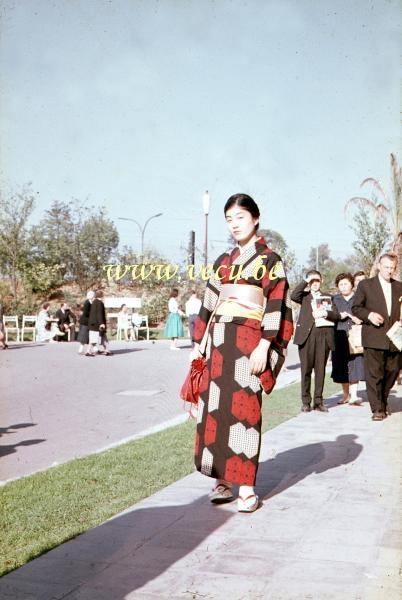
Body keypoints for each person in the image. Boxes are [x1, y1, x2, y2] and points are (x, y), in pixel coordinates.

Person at [191, 193, 293, 513]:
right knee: (215, 411)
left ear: (256, 219)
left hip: (250, 343)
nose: (235, 225)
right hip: (219, 343)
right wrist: (199, 345)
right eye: (229, 220)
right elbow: (210, 303)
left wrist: (265, 344)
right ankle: (221, 480)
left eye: (241, 217)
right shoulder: (223, 261)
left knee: (244, 413)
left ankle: (247, 486)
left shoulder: (270, 260)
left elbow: (275, 302)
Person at [352, 253, 402, 420]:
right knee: (374, 374)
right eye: (386, 267)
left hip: (395, 338)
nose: (389, 271)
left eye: (392, 268)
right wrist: (369, 315)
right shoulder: (366, 285)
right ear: (379, 266)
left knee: (392, 371)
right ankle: (377, 409)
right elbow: (356, 308)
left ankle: (383, 398)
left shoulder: (399, 286)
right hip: (374, 336)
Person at [291, 270, 340, 413]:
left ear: (322, 281)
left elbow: (336, 315)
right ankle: (306, 402)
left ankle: (318, 401)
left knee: (320, 370)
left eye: (317, 281)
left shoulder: (329, 297)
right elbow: (294, 295)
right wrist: (306, 280)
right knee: (305, 370)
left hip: (323, 336)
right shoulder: (304, 297)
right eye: (312, 282)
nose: (314, 284)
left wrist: (326, 313)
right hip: (306, 337)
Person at [331, 273, 365, 405]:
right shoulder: (335, 300)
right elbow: (330, 315)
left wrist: (359, 318)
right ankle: (345, 395)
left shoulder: (359, 298)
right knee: (340, 365)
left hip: (355, 336)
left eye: (346, 284)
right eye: (341, 284)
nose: (343, 287)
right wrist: (339, 315)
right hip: (339, 335)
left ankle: (354, 395)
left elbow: (365, 313)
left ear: (352, 284)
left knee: (355, 364)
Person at [87, 290, 112, 356]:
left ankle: (107, 350)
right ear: (102, 295)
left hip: (93, 324)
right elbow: (99, 314)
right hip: (97, 324)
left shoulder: (94, 302)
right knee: (95, 339)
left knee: (101, 337)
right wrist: (101, 323)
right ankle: (88, 351)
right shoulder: (100, 303)